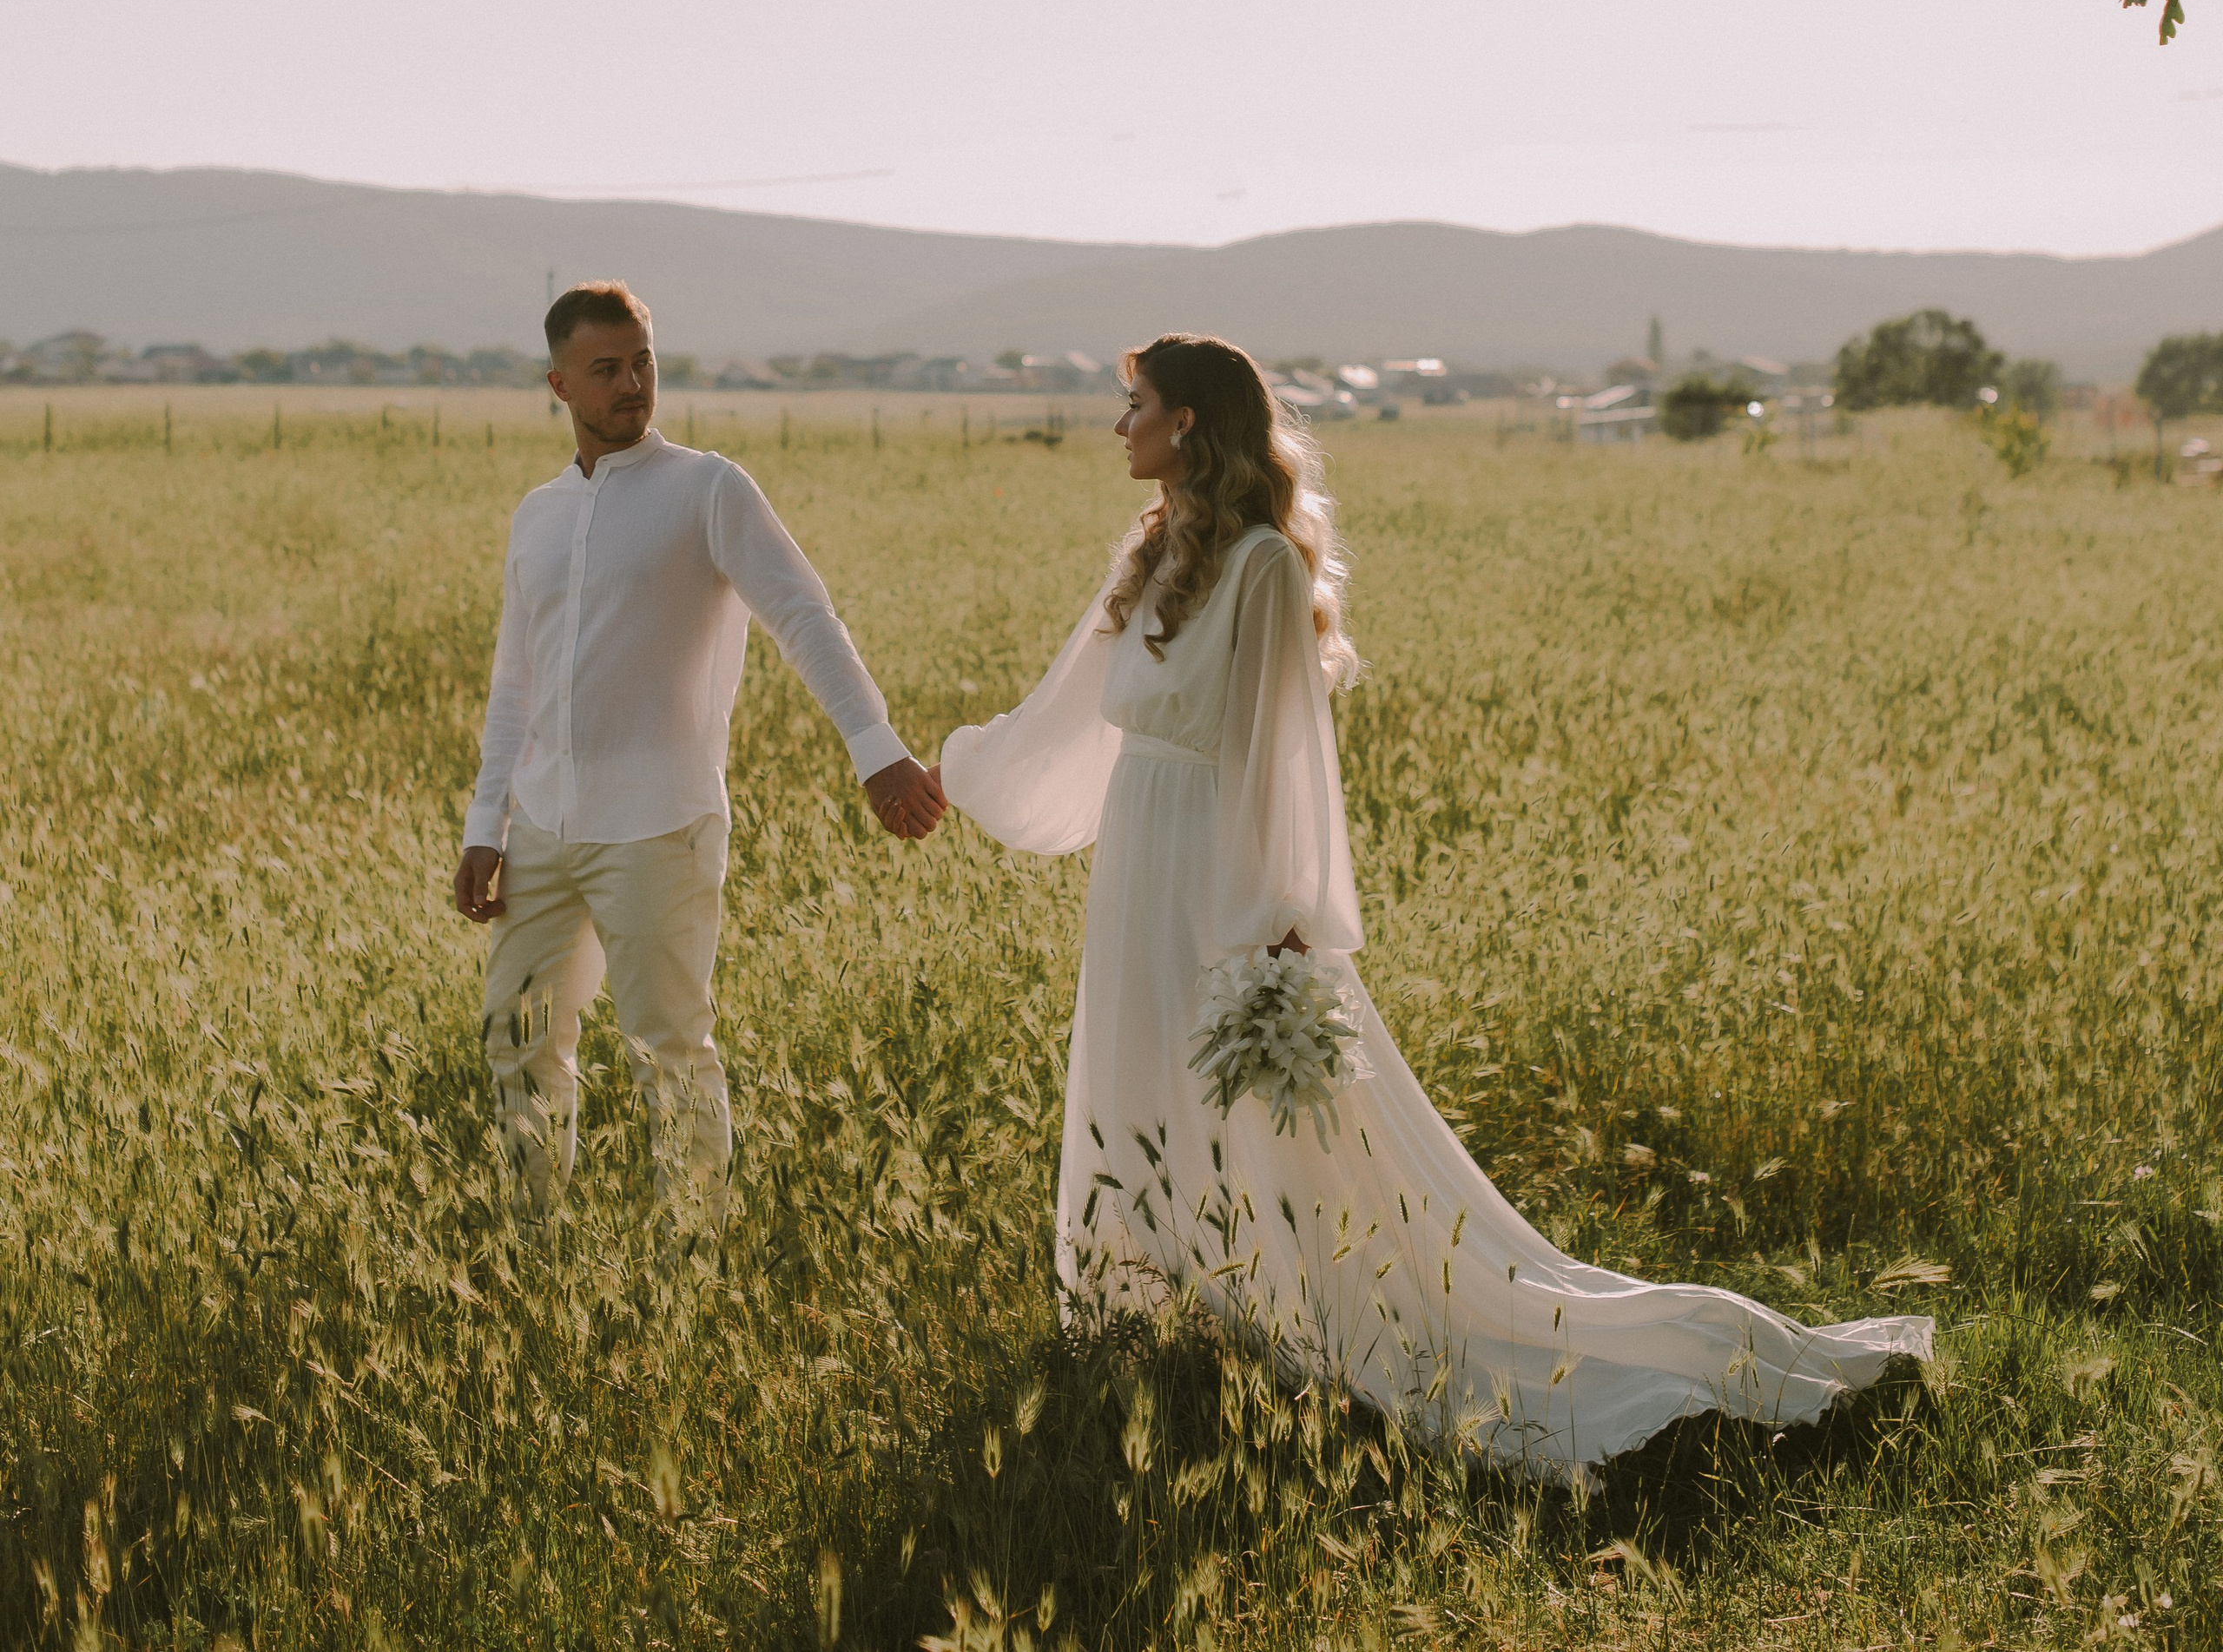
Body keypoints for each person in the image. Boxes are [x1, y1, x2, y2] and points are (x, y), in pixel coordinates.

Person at [933, 333, 1931, 1483]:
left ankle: (1298, 1319)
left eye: (1136, 403)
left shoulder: (1261, 564)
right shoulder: (1151, 547)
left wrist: (1273, 925)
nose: (1120, 425)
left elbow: (1281, 761)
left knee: (1273, 1123)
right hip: (1135, 865)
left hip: (1210, 875)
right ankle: (1151, 1317)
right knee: (1138, 1077)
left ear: (1190, 420)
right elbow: (1068, 710)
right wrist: (958, 770)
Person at [454, 280, 942, 1219]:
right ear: (559, 384)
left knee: (668, 1050)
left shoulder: (708, 488)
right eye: (606, 369)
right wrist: (488, 823)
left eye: (643, 362)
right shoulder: (536, 513)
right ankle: (530, 1240)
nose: (632, 384)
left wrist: (875, 748)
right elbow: (514, 681)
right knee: (517, 1039)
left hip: (660, 824)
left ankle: (693, 1255)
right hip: (542, 827)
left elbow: (804, 615)